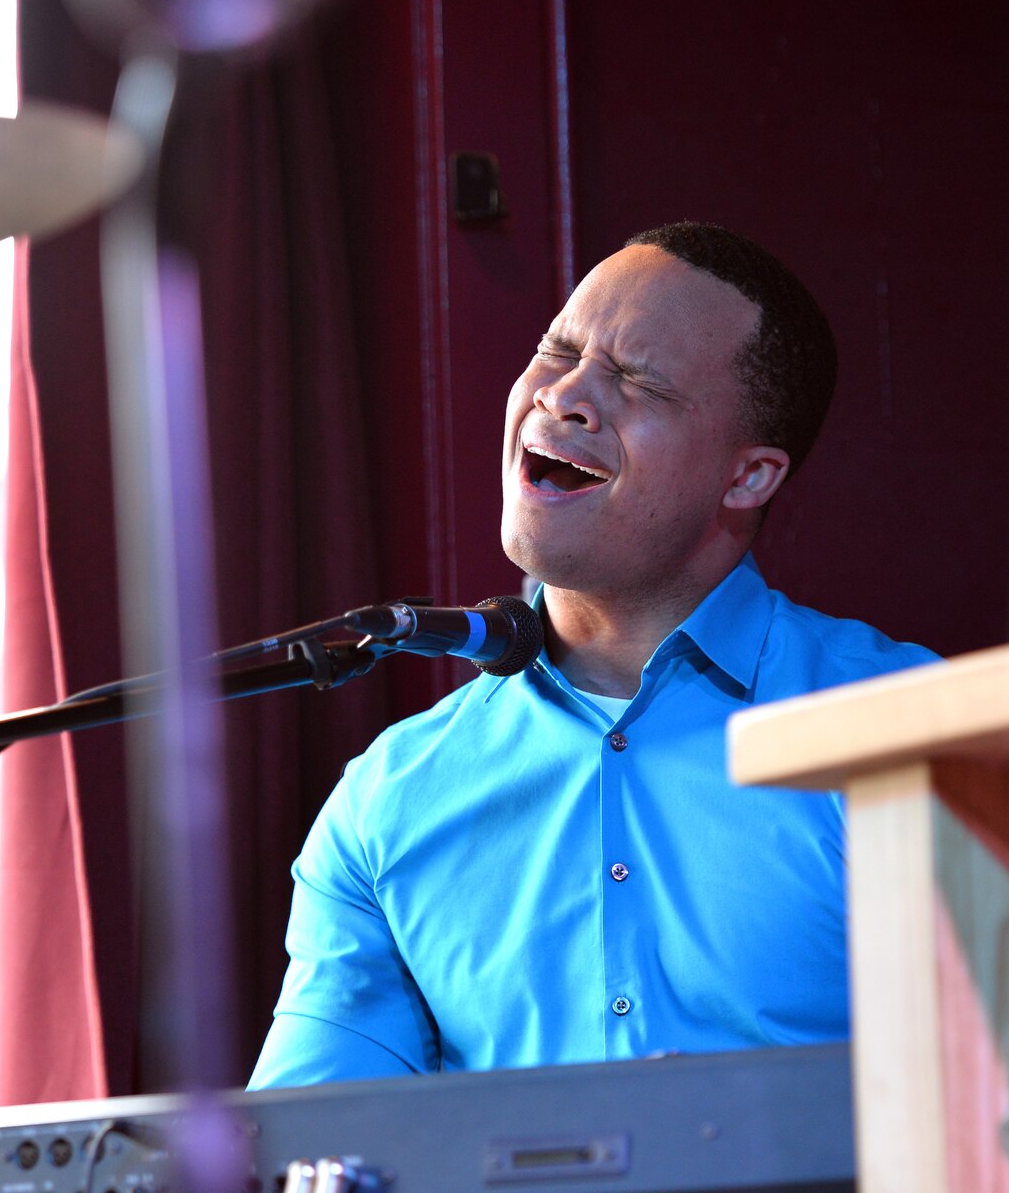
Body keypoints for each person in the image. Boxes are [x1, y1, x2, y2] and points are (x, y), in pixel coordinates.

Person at [247, 222, 937, 1087]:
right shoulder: (387, 798)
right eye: (557, 350)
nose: (563, 396)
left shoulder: (910, 723)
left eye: (637, 379)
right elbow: (311, 1141)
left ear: (749, 477)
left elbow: (1006, 1099)